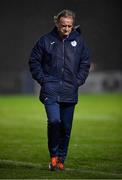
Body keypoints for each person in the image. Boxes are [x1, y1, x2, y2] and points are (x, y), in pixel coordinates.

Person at [29, 9, 90, 171]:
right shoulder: (45, 40)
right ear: (57, 24)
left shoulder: (79, 42)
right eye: (63, 25)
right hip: (51, 90)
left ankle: (61, 159)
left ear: (72, 25)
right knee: (55, 121)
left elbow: (85, 63)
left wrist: (78, 81)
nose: (66, 29)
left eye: (69, 26)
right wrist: (43, 80)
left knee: (66, 127)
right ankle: (54, 155)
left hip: (70, 91)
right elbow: (34, 60)